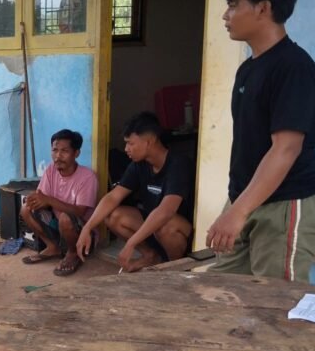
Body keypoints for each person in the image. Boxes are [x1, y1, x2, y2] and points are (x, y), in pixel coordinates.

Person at [207, 0, 315, 281]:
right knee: (221, 289)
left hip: (286, 201)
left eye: (233, 5)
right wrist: (237, 205)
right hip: (247, 196)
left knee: (274, 299)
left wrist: (238, 211)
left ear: (263, 8)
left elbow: (286, 149)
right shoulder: (249, 68)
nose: (225, 15)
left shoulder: (294, 67)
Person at [78, 112, 193, 272]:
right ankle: (151, 256)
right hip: (154, 225)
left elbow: (166, 211)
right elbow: (113, 197)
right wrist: (88, 227)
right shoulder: (139, 164)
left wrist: (131, 243)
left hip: (178, 229)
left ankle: (176, 268)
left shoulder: (178, 163)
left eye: (130, 143)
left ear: (149, 142)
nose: (126, 149)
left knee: (166, 225)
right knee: (112, 216)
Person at [20, 129, 98, 276]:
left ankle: (73, 253)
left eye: (64, 151)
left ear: (76, 153)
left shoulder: (88, 177)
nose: (58, 156)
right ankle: (52, 247)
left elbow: (80, 211)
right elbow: (41, 197)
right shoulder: (51, 170)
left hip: (82, 232)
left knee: (65, 218)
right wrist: (34, 200)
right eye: (54, 150)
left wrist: (48, 200)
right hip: (58, 226)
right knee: (26, 209)